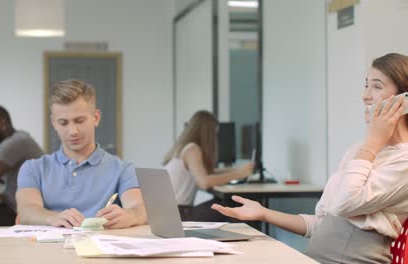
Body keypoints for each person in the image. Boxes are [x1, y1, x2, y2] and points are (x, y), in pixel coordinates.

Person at [211, 53, 408, 263]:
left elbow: (345, 203)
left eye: (376, 87)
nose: (365, 95)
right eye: (366, 85)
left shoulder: (400, 159)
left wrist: (373, 142)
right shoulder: (358, 151)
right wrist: (264, 213)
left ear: (404, 100)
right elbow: (322, 223)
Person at [16, 79, 147, 229]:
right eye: (63, 123)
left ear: (96, 118)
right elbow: (26, 211)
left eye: (79, 121)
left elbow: (139, 208)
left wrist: (131, 215)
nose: (73, 131)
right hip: (49, 250)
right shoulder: (33, 168)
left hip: (102, 249)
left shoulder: (123, 169)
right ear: (54, 123)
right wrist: (54, 218)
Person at [163, 110, 254, 221]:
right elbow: (204, 182)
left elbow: (207, 172)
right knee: (230, 204)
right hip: (179, 215)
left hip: (171, 212)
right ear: (208, 133)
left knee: (224, 203)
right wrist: (239, 173)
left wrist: (235, 170)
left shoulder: (185, 148)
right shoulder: (192, 150)